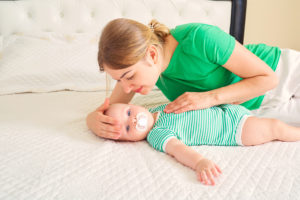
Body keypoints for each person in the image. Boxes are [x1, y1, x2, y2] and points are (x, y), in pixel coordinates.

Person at [86, 18, 300, 140]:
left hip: (285, 72)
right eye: (119, 81)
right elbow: (112, 108)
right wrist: (92, 120)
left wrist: (208, 98)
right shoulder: (145, 72)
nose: (126, 87)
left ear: (151, 54)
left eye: (128, 77)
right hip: (259, 106)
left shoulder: (200, 37)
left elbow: (268, 79)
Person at [100, 102, 300, 186]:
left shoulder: (160, 108)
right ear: (130, 141)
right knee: (276, 127)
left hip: (229, 112)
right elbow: (178, 150)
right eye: (127, 129)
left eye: (128, 113)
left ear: (133, 104)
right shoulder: (156, 134)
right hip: (234, 130)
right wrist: (200, 162)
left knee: (277, 115)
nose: (133, 120)